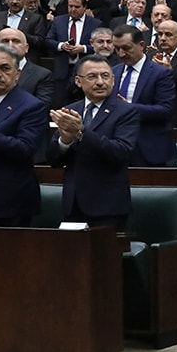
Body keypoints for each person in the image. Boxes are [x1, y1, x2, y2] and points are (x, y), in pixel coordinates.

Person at [47, 55, 140, 229]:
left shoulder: (126, 112)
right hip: (73, 204)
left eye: (105, 76)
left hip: (108, 206)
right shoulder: (71, 111)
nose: (100, 82)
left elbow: (120, 153)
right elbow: (53, 160)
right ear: (78, 81)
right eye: (92, 76)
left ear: (113, 80)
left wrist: (81, 132)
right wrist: (65, 140)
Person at [0, 41, 48, 225]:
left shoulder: (32, 106)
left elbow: (25, 149)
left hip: (7, 204)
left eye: (5, 68)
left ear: (17, 74)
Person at [111, 25, 176, 167]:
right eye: (117, 49)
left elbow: (166, 110)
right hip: (116, 146)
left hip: (149, 146)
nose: (121, 54)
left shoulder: (160, 73)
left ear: (141, 45)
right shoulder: (113, 72)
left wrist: (128, 108)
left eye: (126, 48)